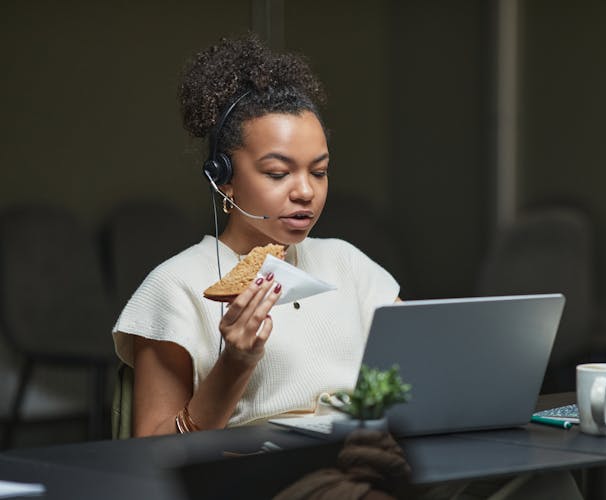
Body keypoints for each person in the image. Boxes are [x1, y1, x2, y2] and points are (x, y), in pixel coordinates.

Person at [112, 33, 399, 437]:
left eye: (319, 171)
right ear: (223, 179)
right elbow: (151, 451)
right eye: (278, 173)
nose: (305, 191)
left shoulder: (347, 263)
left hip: (361, 466)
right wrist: (236, 363)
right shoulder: (175, 287)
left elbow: (428, 363)